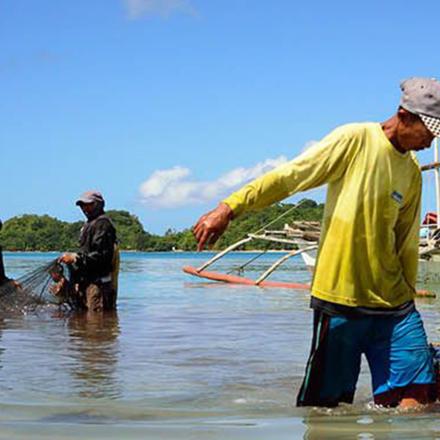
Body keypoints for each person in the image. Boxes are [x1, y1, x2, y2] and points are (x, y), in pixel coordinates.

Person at [193, 77, 440, 408]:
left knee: (420, 397)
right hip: (341, 300)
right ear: (405, 115)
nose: (431, 140)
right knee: (328, 409)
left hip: (395, 305)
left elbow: (405, 240)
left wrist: (409, 294)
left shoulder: (410, 170)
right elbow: (292, 176)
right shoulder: (355, 139)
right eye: (429, 130)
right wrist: (230, 207)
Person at [59, 191, 119, 313]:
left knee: (96, 325)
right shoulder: (88, 224)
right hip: (85, 283)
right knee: (84, 325)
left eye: (88, 204)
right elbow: (87, 254)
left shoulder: (103, 224)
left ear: (99, 204)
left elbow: (101, 256)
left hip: (98, 285)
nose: (84, 208)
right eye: (82, 205)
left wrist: (76, 258)